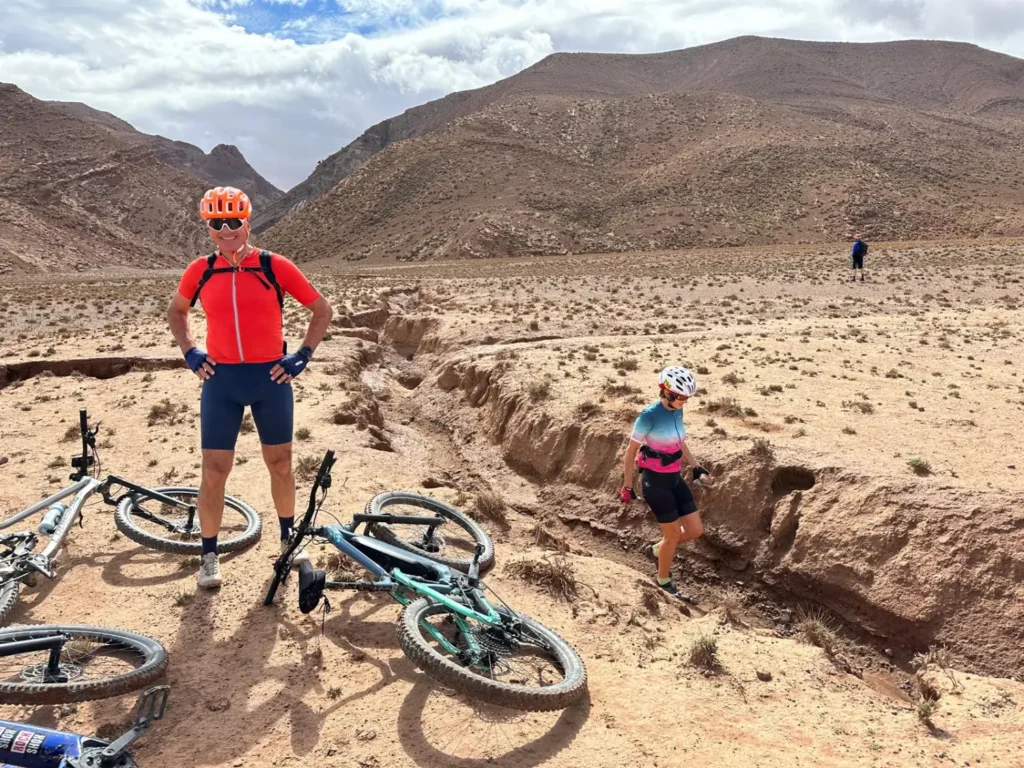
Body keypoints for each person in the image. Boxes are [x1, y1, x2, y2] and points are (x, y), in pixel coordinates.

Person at [167, 186, 333, 589]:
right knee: (214, 470)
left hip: (270, 379)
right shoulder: (200, 270)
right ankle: (209, 556)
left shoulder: (274, 266)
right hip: (221, 381)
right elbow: (176, 311)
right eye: (217, 223)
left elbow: (321, 310)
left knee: (281, 464)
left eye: (233, 221)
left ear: (247, 222)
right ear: (208, 227)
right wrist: (190, 351)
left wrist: (302, 355)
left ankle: (288, 540)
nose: (226, 230)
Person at [619, 367, 711, 599]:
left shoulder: (677, 411)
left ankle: (657, 550)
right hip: (655, 484)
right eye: (681, 397)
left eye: (687, 398)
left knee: (695, 530)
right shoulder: (648, 416)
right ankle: (663, 581)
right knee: (672, 536)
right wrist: (628, 486)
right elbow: (630, 453)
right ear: (667, 392)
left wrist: (695, 465)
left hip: (674, 479)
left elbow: (680, 442)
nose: (684, 402)